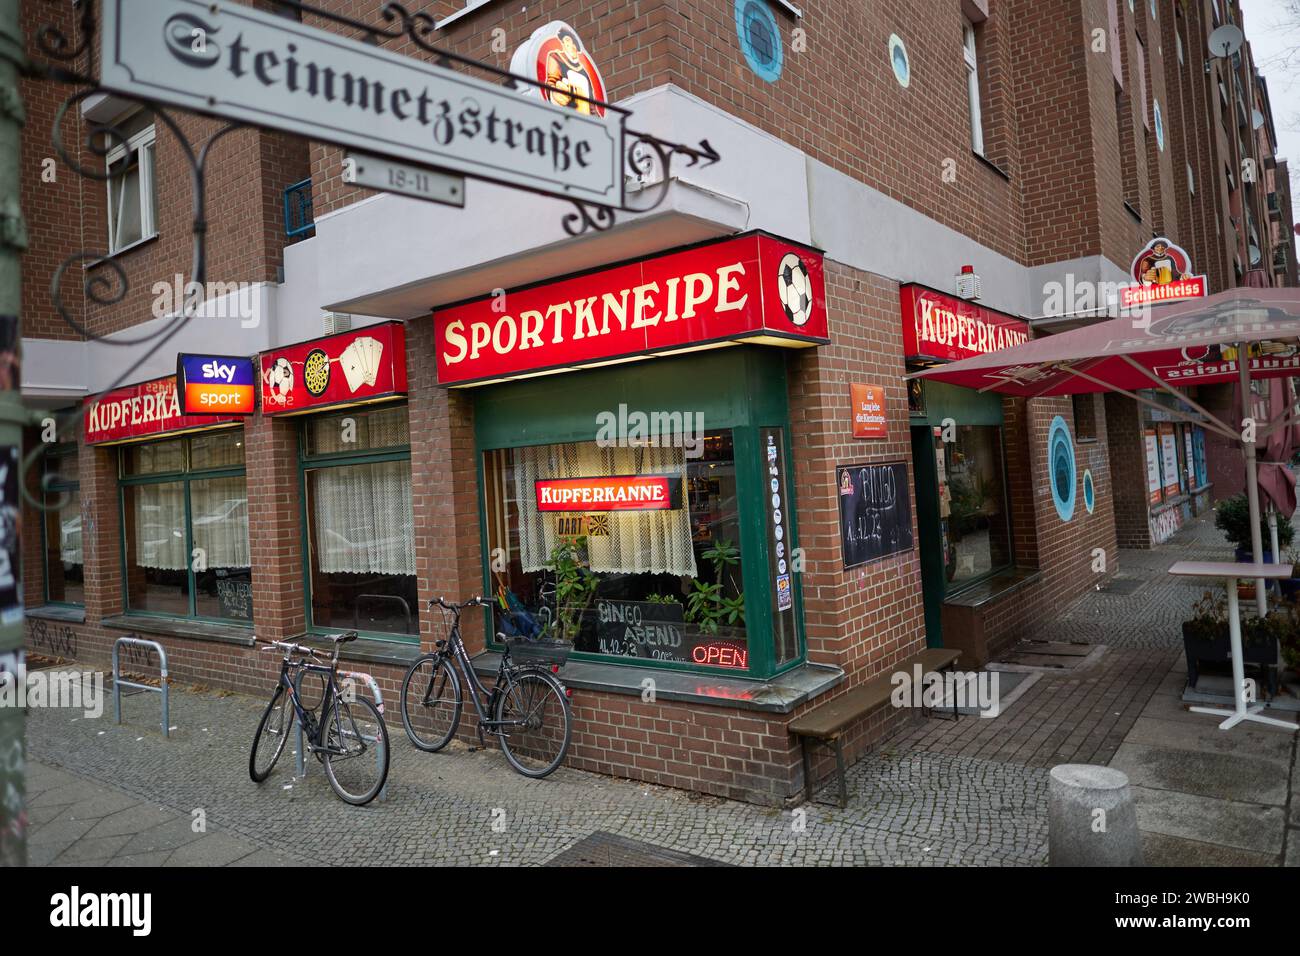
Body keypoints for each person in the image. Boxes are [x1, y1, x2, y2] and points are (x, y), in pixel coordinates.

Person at [545, 28, 596, 114]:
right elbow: (552, 81)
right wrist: (554, 92)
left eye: (572, 42)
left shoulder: (583, 70)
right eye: (566, 40)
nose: (569, 44)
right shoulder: (556, 57)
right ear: (562, 43)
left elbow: (591, 101)